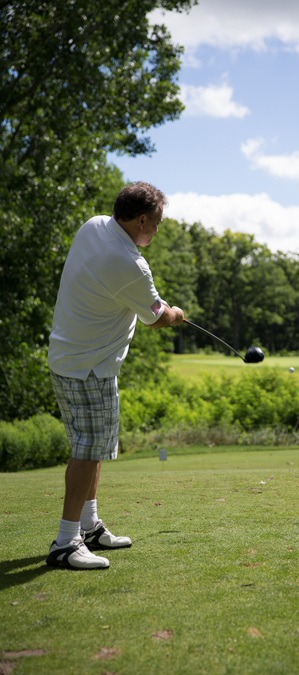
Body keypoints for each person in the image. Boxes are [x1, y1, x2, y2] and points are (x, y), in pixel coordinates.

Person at [46, 182, 184, 570]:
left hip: (69, 358)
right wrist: (176, 313)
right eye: (156, 223)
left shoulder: (94, 225)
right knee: (88, 451)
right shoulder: (131, 265)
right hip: (89, 367)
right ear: (141, 219)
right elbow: (157, 317)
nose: (157, 230)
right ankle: (65, 542)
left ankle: (88, 527)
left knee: (95, 448)